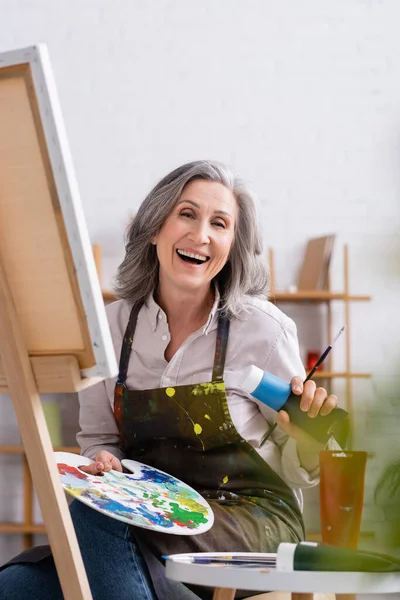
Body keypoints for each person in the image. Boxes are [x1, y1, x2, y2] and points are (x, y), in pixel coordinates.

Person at [0, 160, 340, 600]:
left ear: (231, 246)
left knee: (97, 520)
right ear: (154, 228)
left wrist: (310, 442)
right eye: (186, 214)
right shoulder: (109, 328)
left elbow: (301, 463)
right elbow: (100, 438)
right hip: (149, 519)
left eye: (219, 223)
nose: (201, 235)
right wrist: (104, 460)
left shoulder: (263, 330)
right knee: (17, 586)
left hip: (249, 521)